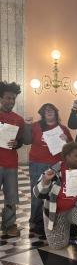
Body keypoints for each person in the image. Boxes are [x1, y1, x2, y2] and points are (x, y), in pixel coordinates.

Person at [33, 142, 77, 250]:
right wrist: (46, 180)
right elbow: (38, 194)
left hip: (76, 209)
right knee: (57, 245)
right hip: (55, 212)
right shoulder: (54, 171)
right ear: (67, 157)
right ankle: (65, 228)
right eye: (76, 156)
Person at [24, 103, 73, 235]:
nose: (49, 112)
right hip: (37, 163)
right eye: (46, 110)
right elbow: (27, 141)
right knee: (37, 192)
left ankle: (52, 220)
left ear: (56, 112)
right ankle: (35, 221)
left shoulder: (62, 128)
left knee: (54, 193)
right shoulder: (35, 126)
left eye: (51, 110)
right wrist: (27, 126)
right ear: (42, 114)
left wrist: (66, 139)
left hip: (57, 164)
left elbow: (71, 147)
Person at [0, 81, 24, 237]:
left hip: (11, 163)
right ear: (1, 98)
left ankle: (9, 224)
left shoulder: (18, 119)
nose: (11, 101)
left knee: (11, 196)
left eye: (13, 98)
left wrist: (17, 143)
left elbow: (21, 140)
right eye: (8, 98)